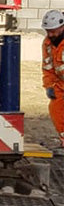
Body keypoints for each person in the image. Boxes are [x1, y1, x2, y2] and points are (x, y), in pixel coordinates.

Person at [41, 9, 64, 151]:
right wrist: (49, 85)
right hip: (60, 84)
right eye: (48, 31)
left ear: (62, 27)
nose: (50, 34)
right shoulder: (48, 44)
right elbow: (47, 66)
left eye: (53, 31)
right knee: (56, 109)